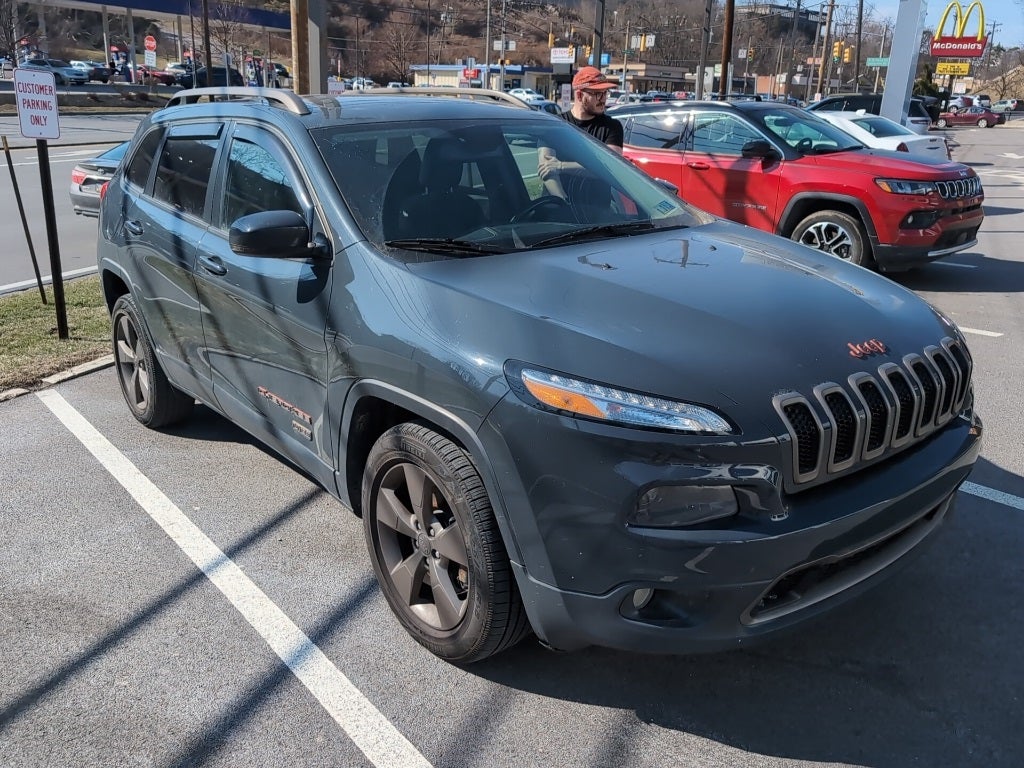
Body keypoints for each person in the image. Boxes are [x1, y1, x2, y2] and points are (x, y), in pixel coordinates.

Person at [537, 66, 623, 200]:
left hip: (598, 214)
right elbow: (547, 169)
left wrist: (561, 166)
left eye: (605, 92)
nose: (603, 99)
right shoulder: (554, 125)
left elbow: (609, 167)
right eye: (597, 94)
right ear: (579, 95)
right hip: (557, 207)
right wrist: (564, 202)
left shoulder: (611, 127)